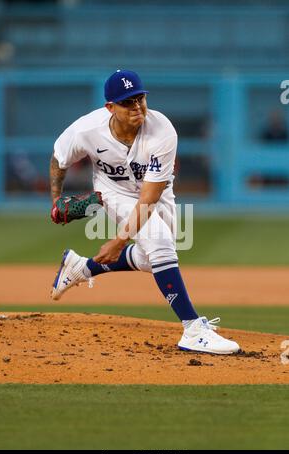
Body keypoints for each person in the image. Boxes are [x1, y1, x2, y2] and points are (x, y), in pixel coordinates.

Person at [50, 69, 240, 355]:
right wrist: (55, 200)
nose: (137, 107)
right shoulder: (86, 130)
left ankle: (82, 267)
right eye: (128, 102)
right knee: (159, 242)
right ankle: (193, 329)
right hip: (112, 191)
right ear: (110, 108)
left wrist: (118, 241)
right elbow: (59, 158)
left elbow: (150, 197)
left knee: (152, 258)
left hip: (156, 191)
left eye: (140, 98)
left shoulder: (162, 130)